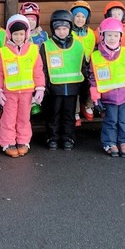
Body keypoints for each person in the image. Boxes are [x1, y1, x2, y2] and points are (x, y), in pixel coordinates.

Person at [0, 14, 45, 158]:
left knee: (24, 118)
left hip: (27, 92)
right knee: (8, 119)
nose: (18, 37)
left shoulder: (33, 50)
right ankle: (7, 142)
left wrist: (40, 88)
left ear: (26, 34)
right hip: (9, 92)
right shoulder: (2, 52)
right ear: (10, 34)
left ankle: (23, 141)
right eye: (15, 34)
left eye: (21, 34)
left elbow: (38, 71)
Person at [89, 18, 125, 157]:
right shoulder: (96, 56)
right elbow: (93, 79)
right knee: (110, 121)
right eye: (109, 35)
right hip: (108, 97)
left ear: (120, 37)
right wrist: (96, 99)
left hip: (124, 96)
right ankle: (109, 142)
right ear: (102, 36)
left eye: (116, 35)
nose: (112, 38)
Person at [40, 10, 87, 150]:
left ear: (70, 28)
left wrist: (85, 87)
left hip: (72, 87)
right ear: (53, 29)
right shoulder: (46, 46)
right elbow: (43, 68)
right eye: (58, 29)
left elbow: (83, 66)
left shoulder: (78, 45)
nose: (61, 32)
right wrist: (44, 86)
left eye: (65, 29)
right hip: (54, 88)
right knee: (53, 114)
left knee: (69, 115)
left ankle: (68, 137)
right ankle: (52, 137)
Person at [70, 0, 96, 125]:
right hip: (73, 65)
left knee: (92, 82)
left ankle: (88, 104)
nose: (80, 19)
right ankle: (75, 111)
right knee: (75, 86)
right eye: (77, 16)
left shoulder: (91, 33)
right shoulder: (69, 32)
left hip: (87, 63)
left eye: (83, 17)